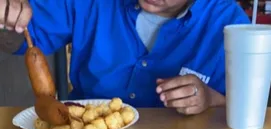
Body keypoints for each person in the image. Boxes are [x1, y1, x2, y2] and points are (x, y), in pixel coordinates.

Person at [0, 0, 250, 115]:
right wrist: (7, 19)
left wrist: (208, 98)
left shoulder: (230, 23)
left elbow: (248, 111)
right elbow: (22, 37)